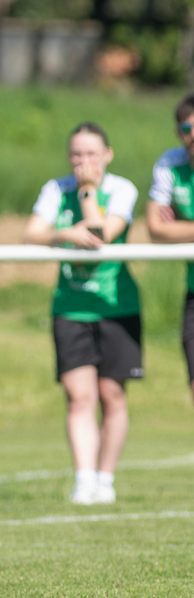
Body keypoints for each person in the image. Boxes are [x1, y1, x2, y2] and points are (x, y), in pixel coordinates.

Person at [23, 123, 141, 505]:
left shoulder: (121, 189)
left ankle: (105, 479)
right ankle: (84, 479)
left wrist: (88, 191)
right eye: (76, 154)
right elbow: (31, 234)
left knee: (112, 395)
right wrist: (63, 234)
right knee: (79, 396)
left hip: (117, 305)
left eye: (91, 154)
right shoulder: (55, 189)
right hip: (70, 307)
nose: (83, 161)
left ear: (107, 155)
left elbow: (101, 234)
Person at [145, 92, 194, 408]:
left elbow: (169, 229)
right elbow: (156, 229)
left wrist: (182, 227)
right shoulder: (170, 164)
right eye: (188, 128)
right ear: (179, 132)